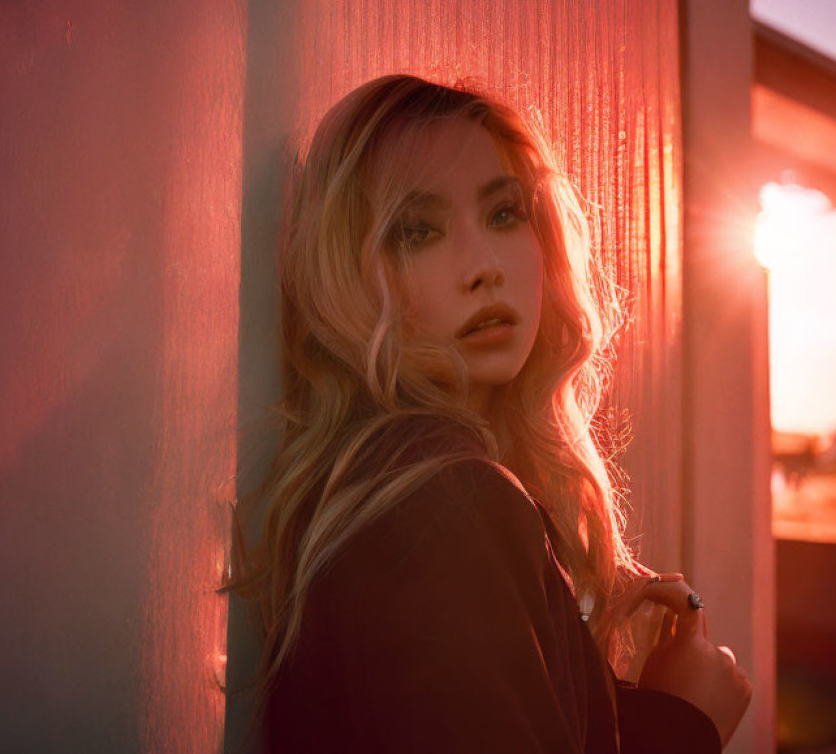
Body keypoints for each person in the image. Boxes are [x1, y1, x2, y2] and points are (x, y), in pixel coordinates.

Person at [230, 75, 752, 752]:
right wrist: (688, 721)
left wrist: (566, 636)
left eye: (504, 215)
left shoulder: (400, 490)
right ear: (349, 273)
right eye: (418, 231)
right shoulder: (443, 500)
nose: (484, 267)